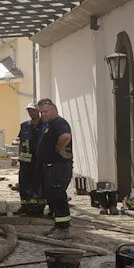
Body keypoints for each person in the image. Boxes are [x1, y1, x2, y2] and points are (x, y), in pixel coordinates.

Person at [36, 97, 74, 230]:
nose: (43, 115)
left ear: (54, 110)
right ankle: (58, 225)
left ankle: (63, 228)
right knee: (52, 197)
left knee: (58, 197)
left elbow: (65, 136)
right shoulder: (50, 125)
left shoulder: (59, 122)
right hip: (51, 168)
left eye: (45, 112)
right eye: (41, 112)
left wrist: (59, 149)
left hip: (58, 167)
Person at [16, 102, 43, 213]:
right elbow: (21, 143)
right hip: (26, 161)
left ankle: (37, 207)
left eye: (33, 110)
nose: (31, 112)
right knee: (23, 184)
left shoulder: (44, 125)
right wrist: (20, 157)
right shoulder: (24, 125)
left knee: (38, 184)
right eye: (29, 110)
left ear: (38, 111)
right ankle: (25, 206)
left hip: (39, 160)